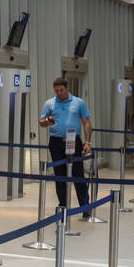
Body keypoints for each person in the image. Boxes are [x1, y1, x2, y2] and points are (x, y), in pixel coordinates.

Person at [38, 78, 94, 217]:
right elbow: (42, 121)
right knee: (60, 175)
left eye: (61, 90)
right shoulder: (49, 103)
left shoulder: (78, 102)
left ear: (67, 88)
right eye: (56, 91)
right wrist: (46, 122)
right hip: (56, 141)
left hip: (73, 139)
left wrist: (88, 142)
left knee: (77, 173)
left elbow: (86, 123)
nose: (59, 93)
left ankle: (85, 207)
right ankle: (62, 206)